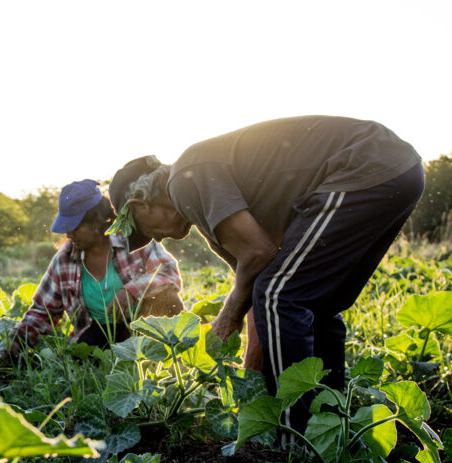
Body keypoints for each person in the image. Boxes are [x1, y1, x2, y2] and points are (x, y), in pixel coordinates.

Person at [107, 116, 423, 433]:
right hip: (398, 169)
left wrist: (226, 318)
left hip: (364, 165)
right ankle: (329, 428)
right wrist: (250, 387)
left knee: (280, 295)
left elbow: (260, 257)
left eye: (145, 232)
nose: (156, 240)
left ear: (140, 204)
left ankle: (291, 437)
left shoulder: (184, 179)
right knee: (316, 306)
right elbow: (257, 288)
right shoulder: (204, 204)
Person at [10, 179, 183, 353]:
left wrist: (131, 291)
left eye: (75, 227)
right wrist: (12, 345)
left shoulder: (133, 241)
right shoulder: (64, 260)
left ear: (97, 222)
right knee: (82, 360)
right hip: (95, 335)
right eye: (66, 228)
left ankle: (169, 357)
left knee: (168, 298)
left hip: (141, 327)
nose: (69, 234)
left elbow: (168, 272)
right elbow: (42, 312)